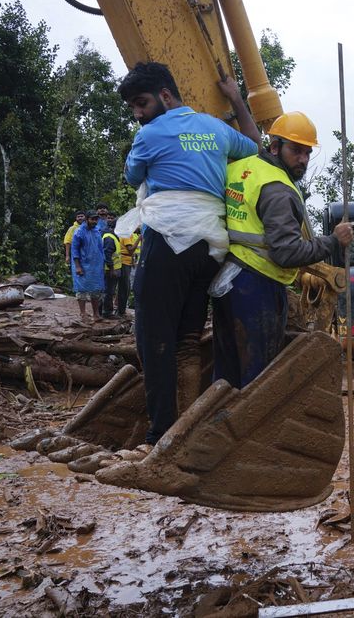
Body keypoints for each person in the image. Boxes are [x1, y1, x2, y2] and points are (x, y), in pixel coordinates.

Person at [118, 61, 261, 445]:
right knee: (186, 340)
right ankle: (190, 424)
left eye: (141, 103)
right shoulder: (216, 128)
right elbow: (256, 148)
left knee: (153, 338)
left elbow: (133, 177)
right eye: (133, 106)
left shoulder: (148, 136)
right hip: (209, 250)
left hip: (167, 241)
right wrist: (237, 100)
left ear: (166, 95)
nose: (138, 113)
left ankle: (160, 433)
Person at [213, 111, 353, 389]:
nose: (302, 159)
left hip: (227, 281)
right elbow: (286, 254)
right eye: (296, 151)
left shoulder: (242, 167)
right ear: (275, 147)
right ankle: (251, 432)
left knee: (226, 374)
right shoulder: (279, 189)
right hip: (256, 286)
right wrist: (333, 241)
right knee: (257, 378)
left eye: (307, 153)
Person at [71, 210, 107, 321]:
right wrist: (77, 266)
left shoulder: (97, 231)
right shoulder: (79, 232)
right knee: (82, 291)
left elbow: (100, 249)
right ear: (87, 219)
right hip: (83, 265)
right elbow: (75, 250)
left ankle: (96, 314)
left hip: (96, 266)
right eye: (92, 219)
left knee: (96, 291)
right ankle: (83, 313)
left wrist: (103, 263)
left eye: (96, 219)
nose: (95, 222)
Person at [101, 212, 122, 319]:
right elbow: (107, 254)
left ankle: (104, 311)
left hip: (113, 269)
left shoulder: (113, 236)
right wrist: (112, 269)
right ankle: (107, 312)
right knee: (108, 291)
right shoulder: (109, 237)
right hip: (109, 270)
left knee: (109, 291)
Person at [113, 227, 138, 316]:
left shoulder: (128, 235)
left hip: (127, 262)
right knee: (124, 287)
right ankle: (121, 311)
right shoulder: (126, 236)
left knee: (124, 287)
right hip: (124, 262)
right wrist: (139, 239)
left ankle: (120, 309)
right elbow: (130, 250)